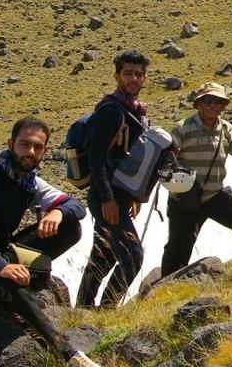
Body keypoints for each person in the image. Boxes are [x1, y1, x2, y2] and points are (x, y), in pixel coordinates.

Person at [0, 117, 99, 366]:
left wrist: (57, 212)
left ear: (45, 151)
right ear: (11, 143)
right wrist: (1, 266)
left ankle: (21, 281)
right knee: (13, 287)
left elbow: (76, 206)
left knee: (70, 228)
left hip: (0, 252)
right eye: (24, 144)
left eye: (38, 147)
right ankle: (68, 353)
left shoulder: (30, 182)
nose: (30, 152)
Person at [160, 82, 232, 276]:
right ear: (198, 103)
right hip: (184, 200)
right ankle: (164, 290)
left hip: (214, 196)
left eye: (219, 102)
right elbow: (167, 164)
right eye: (209, 100)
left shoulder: (226, 129)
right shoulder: (182, 128)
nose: (214, 105)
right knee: (178, 250)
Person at [77, 50, 150, 308]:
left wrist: (133, 195)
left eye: (139, 74)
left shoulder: (135, 111)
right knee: (133, 256)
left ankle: (83, 309)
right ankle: (108, 309)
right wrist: (108, 198)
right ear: (117, 76)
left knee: (104, 254)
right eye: (128, 73)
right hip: (105, 196)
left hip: (120, 195)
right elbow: (96, 157)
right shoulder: (112, 111)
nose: (134, 78)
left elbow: (125, 157)